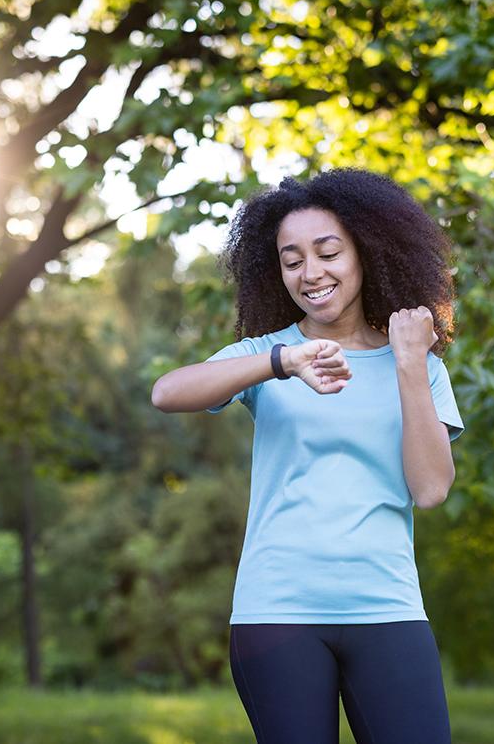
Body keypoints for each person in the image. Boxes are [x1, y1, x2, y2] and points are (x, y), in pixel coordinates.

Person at [150, 168, 465, 744]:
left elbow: (430, 489)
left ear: (366, 252)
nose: (310, 273)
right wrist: (281, 361)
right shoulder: (265, 355)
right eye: (292, 259)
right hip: (277, 612)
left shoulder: (420, 367)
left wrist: (409, 363)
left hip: (387, 606)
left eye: (327, 252)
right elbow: (167, 392)